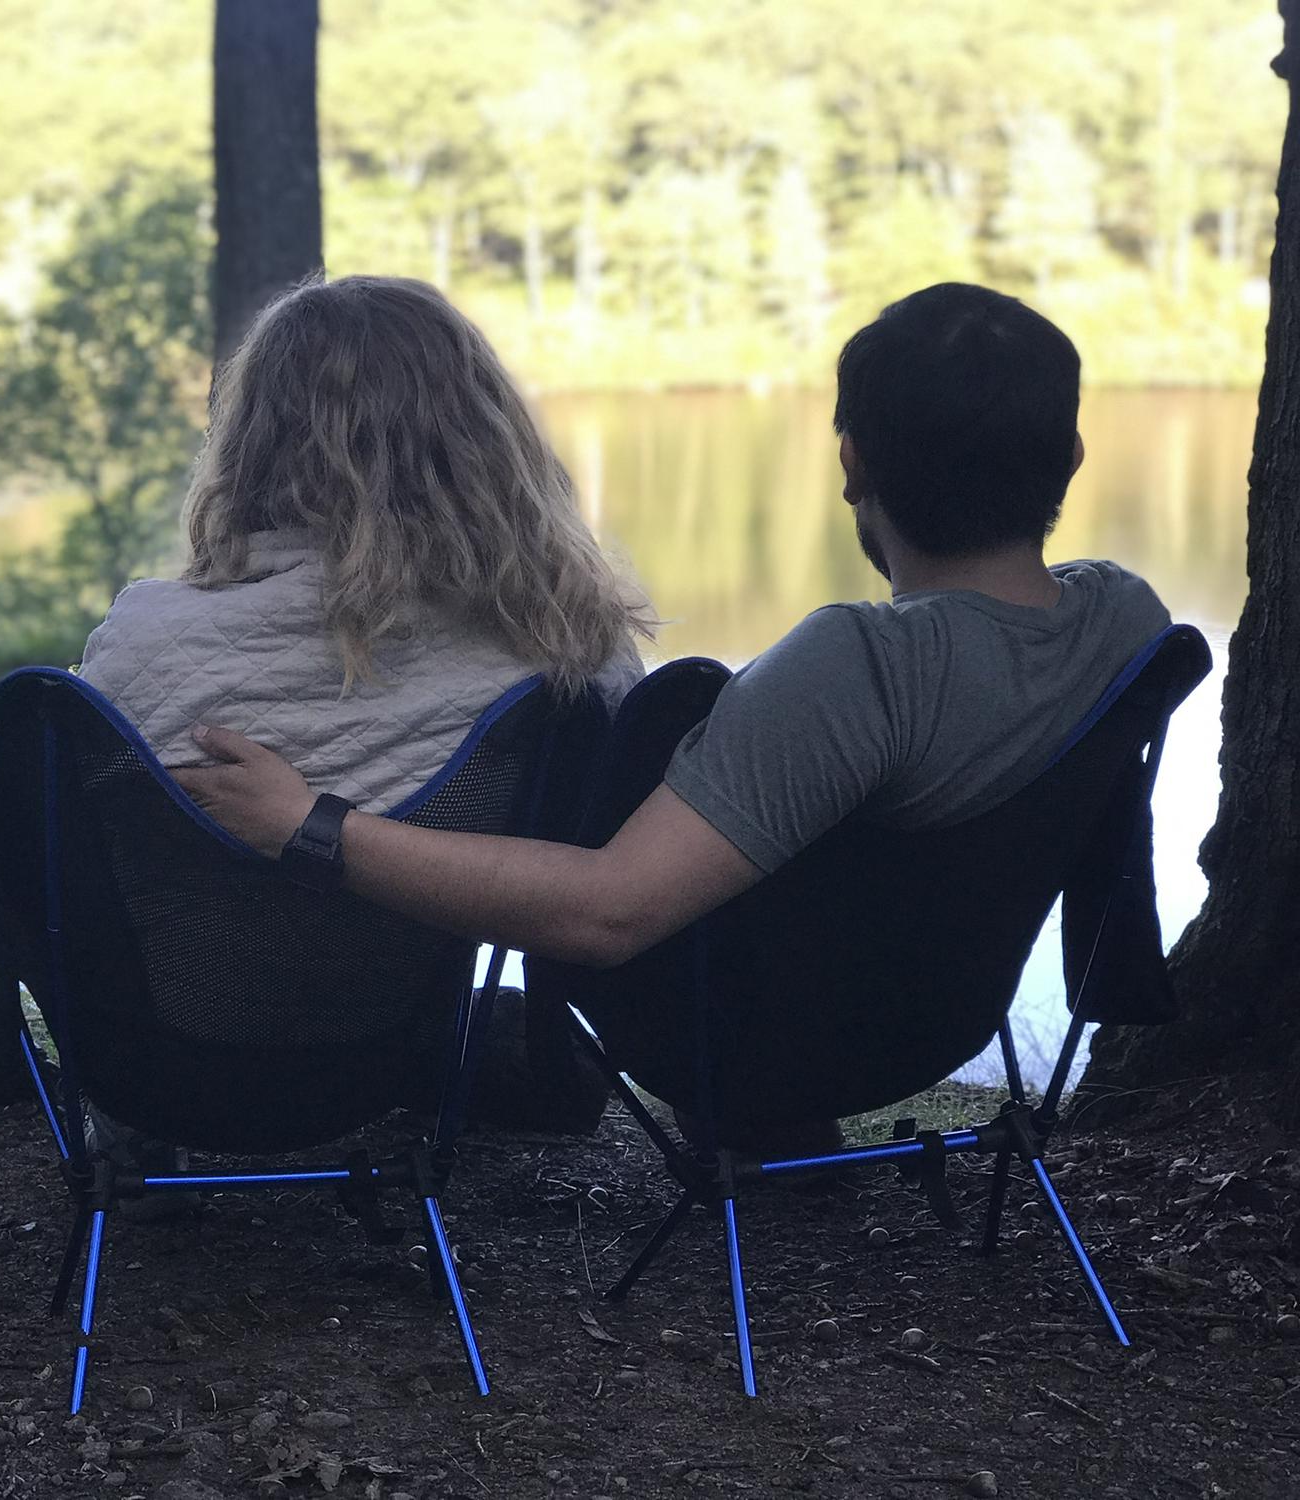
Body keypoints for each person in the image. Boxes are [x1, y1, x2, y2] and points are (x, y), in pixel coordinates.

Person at [178, 284, 1172, 1093]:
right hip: (943, 1023)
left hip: (747, 1044)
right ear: (1070, 458)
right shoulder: (1124, 624)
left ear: (850, 463)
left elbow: (608, 915)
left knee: (655, 726)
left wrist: (307, 823)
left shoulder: (852, 669)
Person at [76, 275, 654, 1156]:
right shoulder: (564, 647)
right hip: (398, 1046)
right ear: (484, 436)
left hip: (155, 1067)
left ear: (255, 440)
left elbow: (65, 867)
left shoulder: (145, 643)